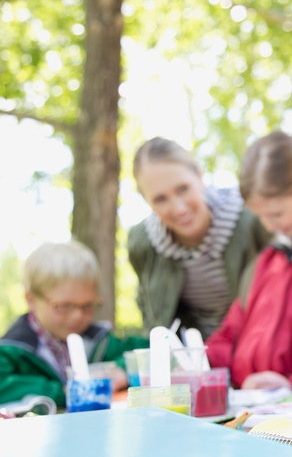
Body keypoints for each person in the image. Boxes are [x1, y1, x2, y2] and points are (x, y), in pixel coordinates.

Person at [205, 131, 292, 396]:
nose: (269, 226)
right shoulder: (268, 260)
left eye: (276, 214)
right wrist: (198, 363)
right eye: (261, 217)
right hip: (249, 411)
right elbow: (232, 332)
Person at [128, 137, 270, 339]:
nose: (179, 208)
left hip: (255, 347)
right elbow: (151, 312)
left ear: (199, 176)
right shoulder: (143, 243)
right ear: (146, 201)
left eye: (183, 189)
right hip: (192, 359)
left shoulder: (253, 220)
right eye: (160, 199)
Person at [0, 241, 148, 408]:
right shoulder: (11, 350)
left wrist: (121, 370)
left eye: (87, 305)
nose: (78, 316)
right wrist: (64, 392)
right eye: (63, 306)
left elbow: (152, 350)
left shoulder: (100, 341)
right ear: (31, 300)